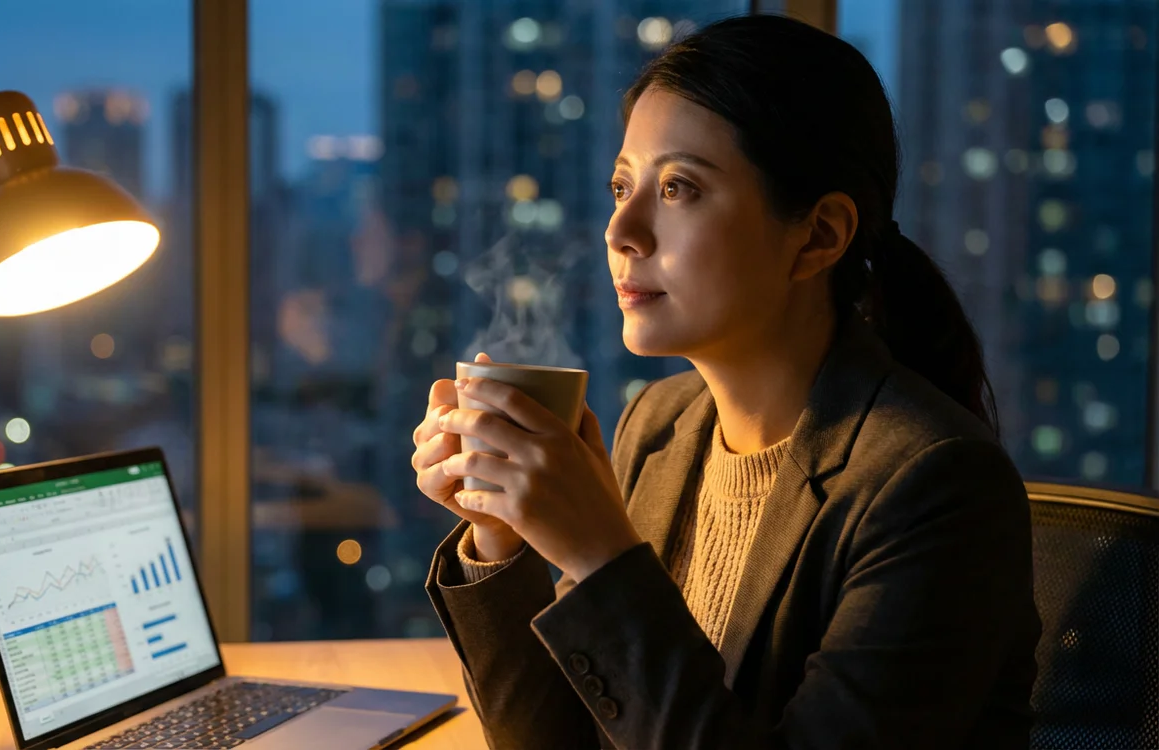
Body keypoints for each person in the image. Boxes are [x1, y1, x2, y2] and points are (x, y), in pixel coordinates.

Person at [409, 14, 1040, 750]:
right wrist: (499, 537)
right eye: (621, 186)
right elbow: (560, 741)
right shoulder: (659, 425)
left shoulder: (936, 486)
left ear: (819, 235)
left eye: (678, 188)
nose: (621, 231)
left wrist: (600, 556)